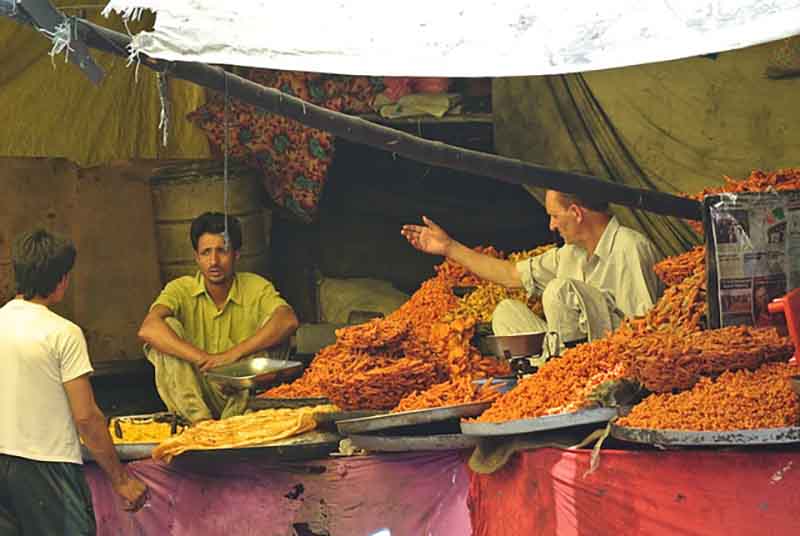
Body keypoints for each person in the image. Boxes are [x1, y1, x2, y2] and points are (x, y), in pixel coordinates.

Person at [1, 229, 148, 535]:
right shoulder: (62, 333)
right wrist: (121, 480)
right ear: (62, 280)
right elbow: (86, 418)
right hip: (48, 468)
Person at [401, 190, 662, 347]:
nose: (551, 226)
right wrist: (449, 247)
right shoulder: (569, 255)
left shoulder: (629, 247)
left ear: (576, 212)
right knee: (506, 312)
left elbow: (647, 329)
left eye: (554, 216)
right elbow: (511, 275)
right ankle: (549, 373)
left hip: (615, 361)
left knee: (559, 289)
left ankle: (564, 371)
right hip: (567, 356)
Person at [138, 212, 299, 423]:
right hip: (196, 391)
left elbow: (288, 320)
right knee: (166, 327)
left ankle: (234, 423)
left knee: (275, 332)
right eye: (206, 252)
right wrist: (203, 359)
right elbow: (148, 329)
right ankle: (200, 424)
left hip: (244, 396)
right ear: (196, 257)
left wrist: (231, 356)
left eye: (222, 251)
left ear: (236, 254)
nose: (213, 261)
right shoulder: (180, 289)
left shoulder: (255, 286)